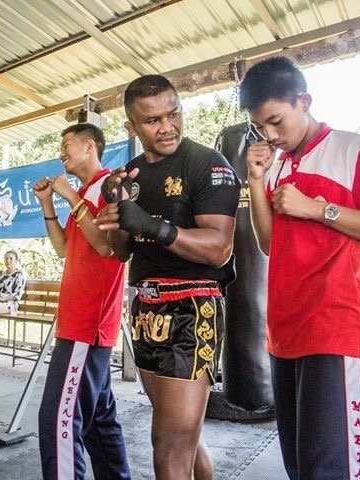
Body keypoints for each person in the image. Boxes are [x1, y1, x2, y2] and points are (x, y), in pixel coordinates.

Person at [241, 56, 360, 480]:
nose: (270, 135)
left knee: (336, 469)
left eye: (276, 121)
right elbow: (269, 243)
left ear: (303, 101)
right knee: (302, 466)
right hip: (284, 330)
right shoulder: (276, 164)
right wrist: (254, 181)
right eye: (260, 127)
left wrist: (320, 210)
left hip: (335, 326)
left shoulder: (356, 149)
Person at [96, 75, 240, 480]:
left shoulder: (208, 164)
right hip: (145, 307)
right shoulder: (131, 175)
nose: (166, 126)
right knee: (184, 438)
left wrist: (156, 227)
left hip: (192, 308)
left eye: (172, 113)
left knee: (170, 444)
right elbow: (122, 251)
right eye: (152, 120)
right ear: (132, 127)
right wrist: (118, 214)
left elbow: (218, 248)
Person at [34, 123, 131, 480]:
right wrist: (49, 204)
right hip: (77, 322)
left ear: (90, 146)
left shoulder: (109, 187)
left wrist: (72, 199)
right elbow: (64, 249)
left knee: (58, 420)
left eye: (67, 145)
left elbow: (107, 247)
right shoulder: (88, 191)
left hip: (88, 324)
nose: (62, 152)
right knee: (99, 424)